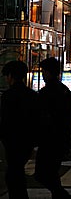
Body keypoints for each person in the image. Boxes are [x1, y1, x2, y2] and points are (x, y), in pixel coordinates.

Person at [34, 57, 71, 199]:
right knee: (51, 172)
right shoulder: (63, 90)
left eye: (43, 71)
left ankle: (62, 196)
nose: (42, 74)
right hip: (59, 138)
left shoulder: (47, 92)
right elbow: (68, 117)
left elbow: (42, 116)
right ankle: (59, 195)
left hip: (49, 139)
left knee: (42, 173)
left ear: (48, 72)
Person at [0, 60, 39, 199]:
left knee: (13, 174)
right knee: (17, 172)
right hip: (27, 140)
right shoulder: (32, 95)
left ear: (10, 76)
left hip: (12, 140)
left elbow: (4, 120)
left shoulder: (7, 96)